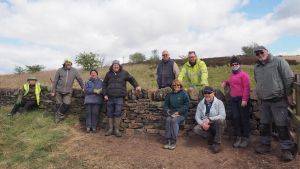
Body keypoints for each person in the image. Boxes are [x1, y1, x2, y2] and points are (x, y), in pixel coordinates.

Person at [253, 46, 297, 161]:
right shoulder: (256, 67)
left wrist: (289, 96)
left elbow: (288, 79)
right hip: (264, 101)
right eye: (257, 53)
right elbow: (257, 81)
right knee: (264, 124)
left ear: (266, 51)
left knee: (282, 125)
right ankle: (265, 145)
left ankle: (287, 149)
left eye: (261, 52)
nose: (259, 55)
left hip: (279, 100)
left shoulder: (279, 61)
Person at [102, 60, 141, 137]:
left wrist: (136, 86)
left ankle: (116, 130)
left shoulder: (124, 73)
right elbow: (104, 84)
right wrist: (105, 94)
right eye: (114, 65)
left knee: (118, 113)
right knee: (109, 113)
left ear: (119, 66)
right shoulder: (108, 74)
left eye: (117, 65)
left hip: (119, 97)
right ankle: (110, 129)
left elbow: (131, 79)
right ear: (112, 66)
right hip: (109, 97)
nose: (116, 66)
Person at [221, 56, 251, 148]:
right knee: (236, 118)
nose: (234, 65)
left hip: (242, 100)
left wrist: (245, 99)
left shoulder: (244, 75)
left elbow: (247, 87)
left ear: (239, 64)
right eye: (233, 64)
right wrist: (225, 82)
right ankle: (238, 137)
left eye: (236, 64)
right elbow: (230, 81)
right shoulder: (232, 75)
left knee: (244, 119)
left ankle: (245, 138)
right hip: (234, 100)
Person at [193, 86, 226, 154]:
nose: (207, 94)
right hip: (206, 124)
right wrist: (202, 124)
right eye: (205, 93)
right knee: (196, 129)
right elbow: (197, 116)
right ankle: (211, 137)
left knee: (221, 121)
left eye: (209, 93)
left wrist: (210, 119)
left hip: (216, 123)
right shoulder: (201, 104)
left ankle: (217, 143)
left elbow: (223, 116)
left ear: (213, 93)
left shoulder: (219, 103)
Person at [51, 59, 84, 123]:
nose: (69, 65)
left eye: (70, 64)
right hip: (58, 90)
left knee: (67, 104)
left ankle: (58, 115)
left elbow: (79, 79)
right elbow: (55, 81)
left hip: (68, 91)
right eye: (67, 64)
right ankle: (58, 118)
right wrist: (53, 91)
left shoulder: (74, 71)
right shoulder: (59, 70)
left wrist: (83, 87)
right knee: (59, 104)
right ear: (64, 64)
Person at [163, 80, 190, 150]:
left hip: (181, 114)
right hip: (172, 113)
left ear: (180, 86)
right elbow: (165, 105)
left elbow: (187, 105)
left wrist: (179, 112)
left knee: (174, 121)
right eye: (174, 85)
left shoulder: (184, 94)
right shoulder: (169, 95)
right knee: (168, 120)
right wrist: (168, 111)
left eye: (178, 85)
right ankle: (168, 140)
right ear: (172, 86)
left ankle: (174, 141)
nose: (176, 87)